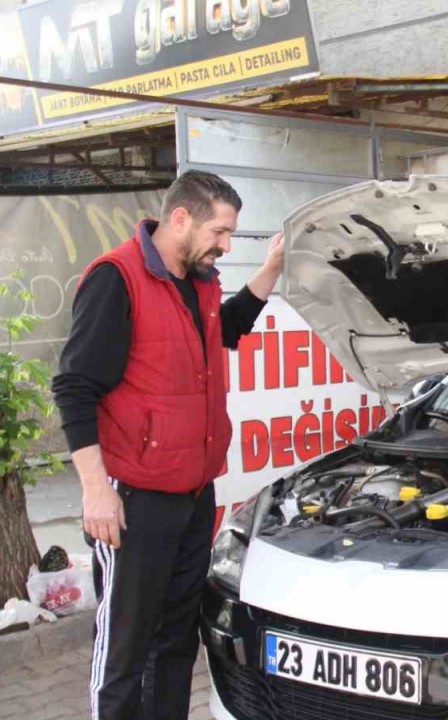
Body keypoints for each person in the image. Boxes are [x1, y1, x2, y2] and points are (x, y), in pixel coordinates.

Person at [52, 171, 283, 720]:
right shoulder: (117, 278)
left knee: (177, 640)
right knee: (125, 647)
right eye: (220, 231)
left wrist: (272, 268)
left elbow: (226, 329)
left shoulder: (199, 282)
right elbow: (75, 388)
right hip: (132, 500)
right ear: (181, 218)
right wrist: (96, 491)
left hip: (193, 495)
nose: (226, 245)